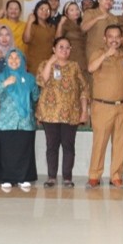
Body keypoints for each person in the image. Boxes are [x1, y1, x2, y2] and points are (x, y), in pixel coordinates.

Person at [36, 37, 89, 188]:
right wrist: (50, 63)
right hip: (49, 114)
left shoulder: (74, 66)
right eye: (61, 47)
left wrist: (84, 111)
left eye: (67, 47)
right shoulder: (44, 64)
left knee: (68, 146)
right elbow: (41, 81)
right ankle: (51, 177)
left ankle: (67, 177)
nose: (64, 50)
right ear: (54, 49)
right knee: (51, 146)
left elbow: (84, 89)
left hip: (70, 113)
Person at [87, 24, 123, 187]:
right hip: (102, 105)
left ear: (121, 39)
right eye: (110, 36)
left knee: (120, 142)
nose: (114, 40)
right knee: (100, 142)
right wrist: (106, 54)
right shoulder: (98, 53)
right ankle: (94, 175)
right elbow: (91, 68)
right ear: (104, 39)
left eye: (117, 37)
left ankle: (116, 176)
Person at [0, 49, 39, 191]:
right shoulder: (0, 77)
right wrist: (5, 83)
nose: (14, 60)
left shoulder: (29, 78)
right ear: (6, 60)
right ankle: (6, 178)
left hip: (25, 121)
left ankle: (23, 178)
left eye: (17, 58)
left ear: (22, 61)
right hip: (7, 121)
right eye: (10, 58)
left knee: (24, 150)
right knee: (7, 151)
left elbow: (35, 95)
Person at [82, 0, 120, 66]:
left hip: (110, 52)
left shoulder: (113, 17)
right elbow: (83, 28)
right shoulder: (90, 12)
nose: (108, 1)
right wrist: (97, 18)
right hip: (94, 51)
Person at [23, 0, 56, 74]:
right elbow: (26, 40)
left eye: (47, 10)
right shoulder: (32, 26)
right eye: (42, 9)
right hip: (34, 64)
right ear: (36, 10)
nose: (44, 12)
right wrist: (29, 22)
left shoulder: (52, 27)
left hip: (49, 63)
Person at [56, 0, 88, 73]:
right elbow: (57, 40)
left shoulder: (83, 24)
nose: (75, 11)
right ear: (66, 13)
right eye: (72, 10)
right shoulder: (65, 24)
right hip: (71, 58)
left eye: (77, 9)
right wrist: (60, 24)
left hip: (84, 59)